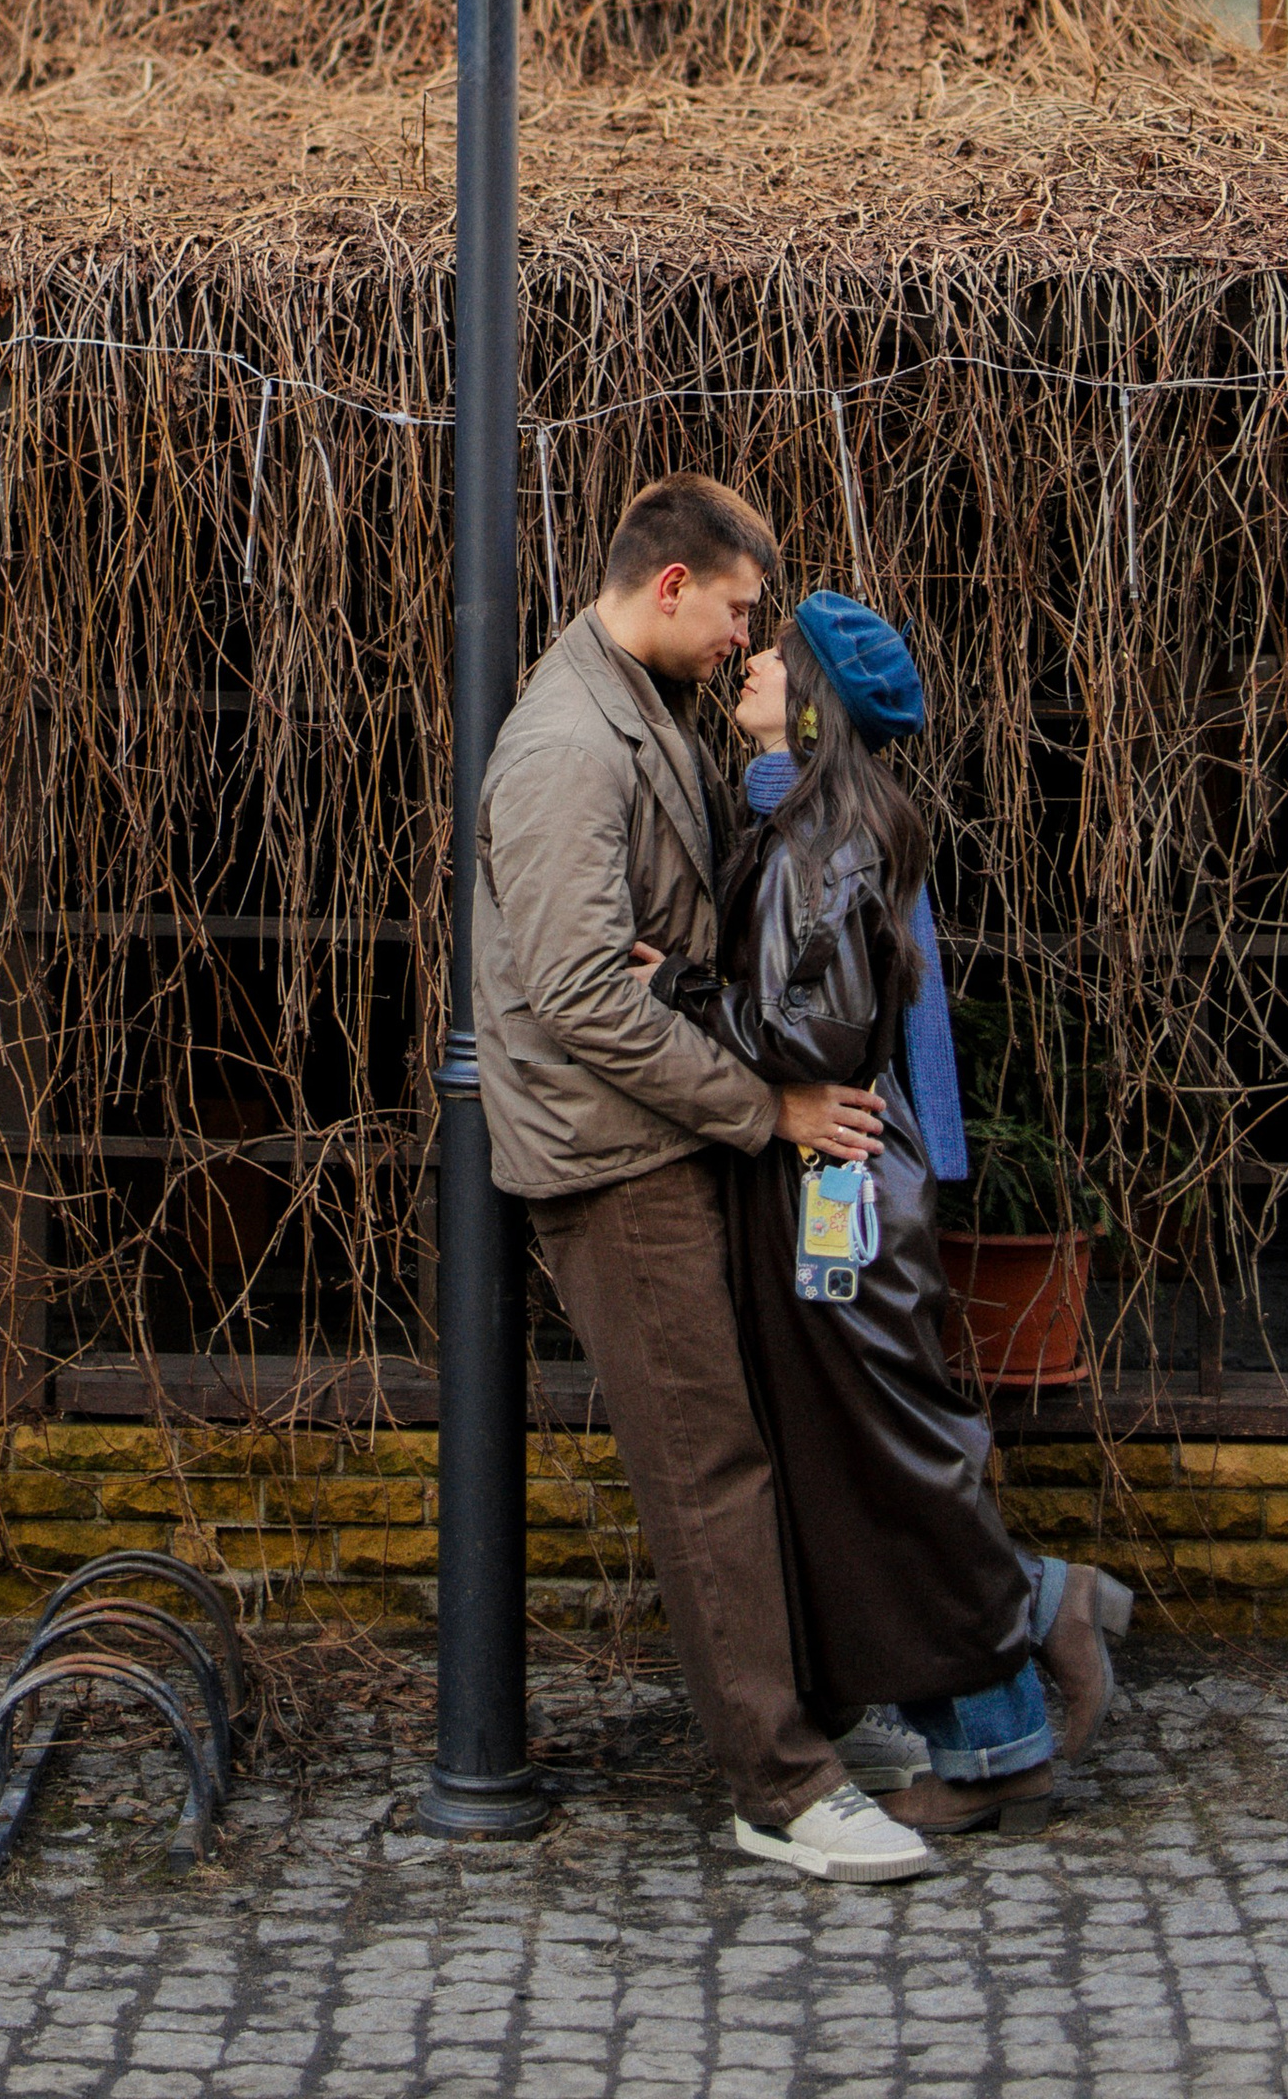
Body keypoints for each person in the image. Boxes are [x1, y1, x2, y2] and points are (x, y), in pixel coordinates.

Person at [473, 474, 935, 1882]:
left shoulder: (639, 704)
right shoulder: (566, 742)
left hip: (670, 1138)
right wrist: (764, 1107)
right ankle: (781, 1787)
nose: (747, 639)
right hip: (618, 1158)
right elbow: (574, 994)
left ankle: (812, 1722)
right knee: (707, 1465)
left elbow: (655, 950)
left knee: (746, 1444)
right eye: (738, 609)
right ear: (671, 584)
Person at [648, 590, 1131, 1830]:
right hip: (835, 1181)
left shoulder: (821, 839)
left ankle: (1012, 1695)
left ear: (813, 701)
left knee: (888, 1457)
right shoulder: (812, 822)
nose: (748, 663)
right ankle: (1014, 1665)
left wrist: (685, 989)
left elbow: (809, 1031)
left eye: (774, 657)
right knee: (872, 1454)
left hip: (836, 1183)